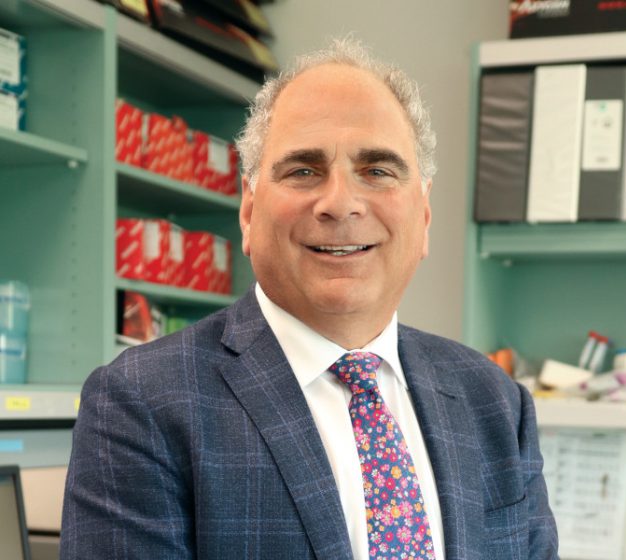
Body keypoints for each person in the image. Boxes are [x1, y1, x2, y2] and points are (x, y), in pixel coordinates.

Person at [61, 38, 558, 559]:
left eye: (377, 171)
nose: (340, 202)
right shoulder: (140, 402)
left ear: (425, 217)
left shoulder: (496, 403)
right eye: (303, 170)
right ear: (249, 213)